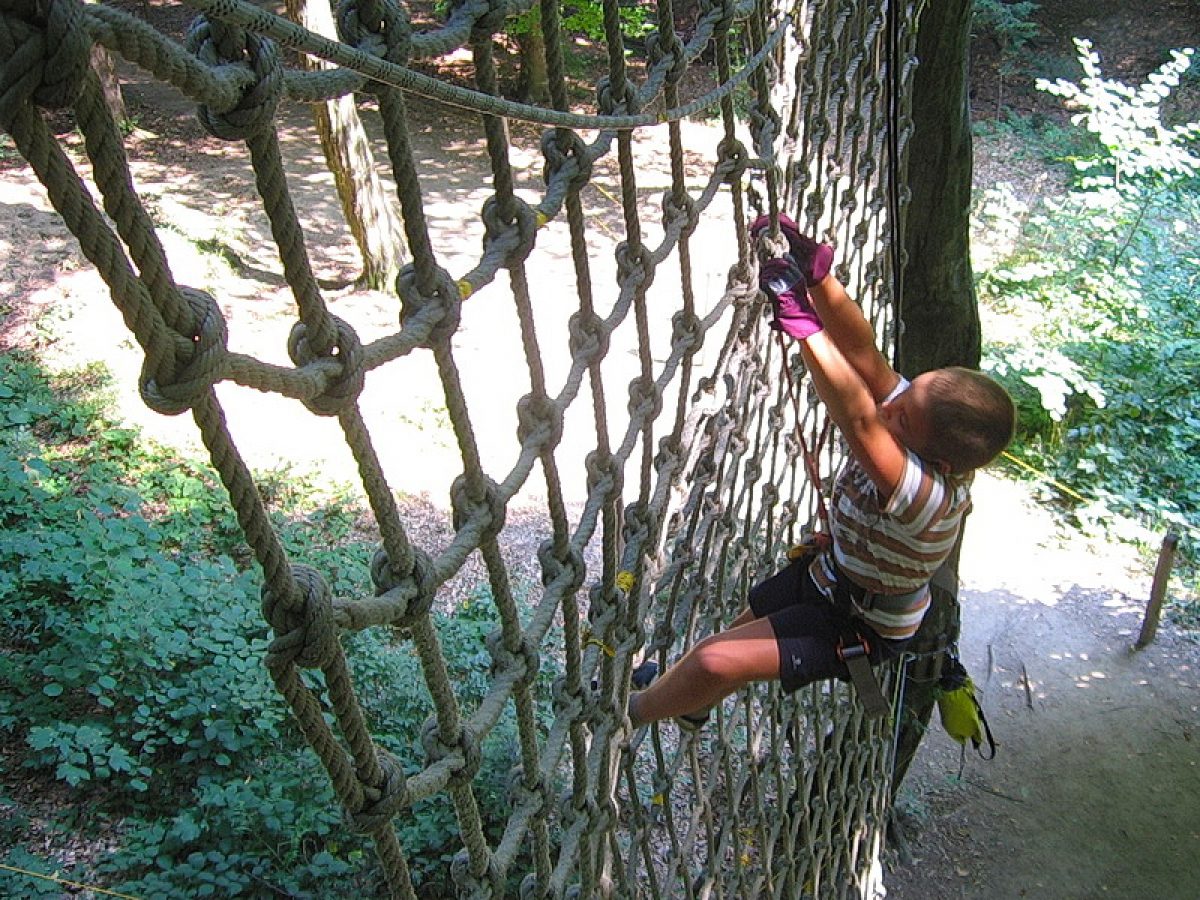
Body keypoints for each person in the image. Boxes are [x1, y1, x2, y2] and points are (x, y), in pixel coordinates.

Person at [626, 215, 1016, 727]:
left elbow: (858, 419)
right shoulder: (917, 421)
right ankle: (691, 699)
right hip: (832, 575)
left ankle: (625, 715)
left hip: (859, 624)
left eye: (902, 415)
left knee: (712, 660)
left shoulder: (929, 497)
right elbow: (865, 355)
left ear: (939, 462)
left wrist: (805, 329)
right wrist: (820, 280)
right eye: (905, 393)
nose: (890, 405)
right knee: (733, 641)